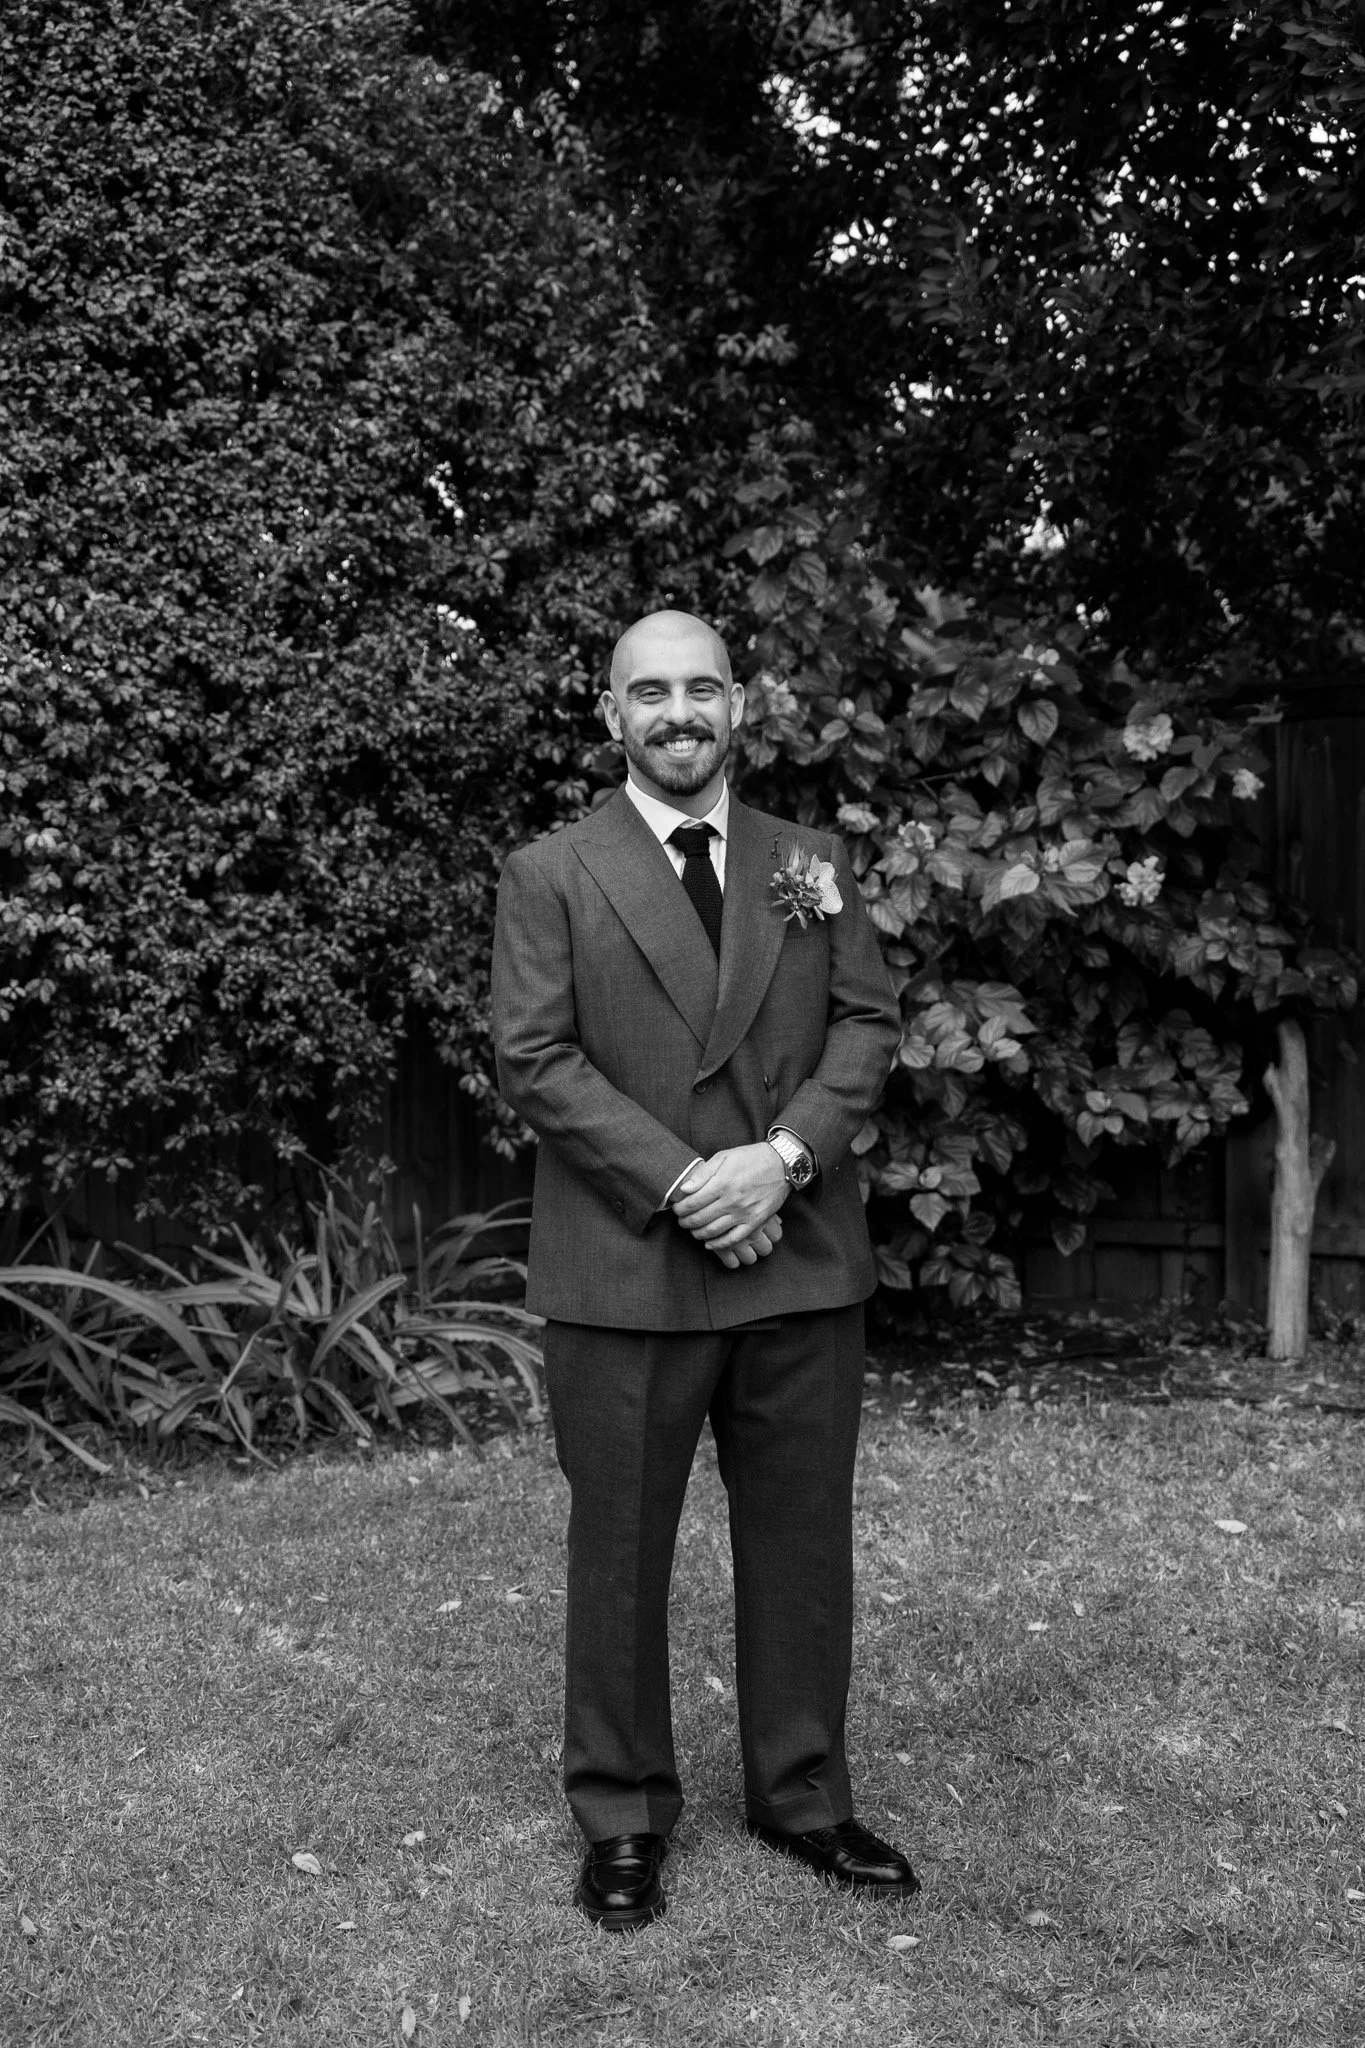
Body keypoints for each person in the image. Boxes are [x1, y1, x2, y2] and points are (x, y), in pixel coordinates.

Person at [491, 608, 917, 1931]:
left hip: (797, 1257)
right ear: (608, 714)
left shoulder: (813, 863)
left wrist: (782, 1159)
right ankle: (621, 1810)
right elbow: (536, 1058)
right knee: (618, 1549)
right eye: (649, 693)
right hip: (629, 1266)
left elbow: (867, 1023)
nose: (679, 713)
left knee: (801, 1541)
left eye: (702, 689)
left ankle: (803, 1795)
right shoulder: (552, 872)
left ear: (742, 703)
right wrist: (689, 1182)